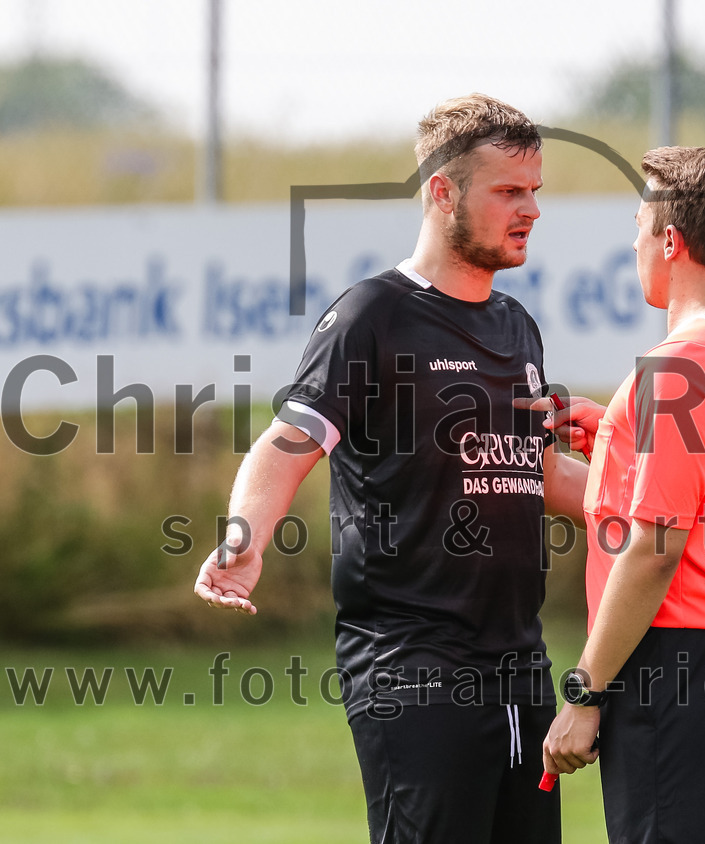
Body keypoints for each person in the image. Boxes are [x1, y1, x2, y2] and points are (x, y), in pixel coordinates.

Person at [194, 93, 587, 844]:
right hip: (414, 664)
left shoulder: (516, 325)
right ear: (442, 191)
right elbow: (287, 445)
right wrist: (245, 537)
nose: (530, 208)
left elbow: (546, 475)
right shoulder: (372, 315)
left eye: (535, 190)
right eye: (509, 190)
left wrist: (687, 523)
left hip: (519, 663)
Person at [537, 146, 705, 844]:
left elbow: (654, 548)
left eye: (639, 225)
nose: (633, 242)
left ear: (671, 241)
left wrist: (585, 691)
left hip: (667, 667)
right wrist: (612, 436)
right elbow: (700, 491)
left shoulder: (677, 365)